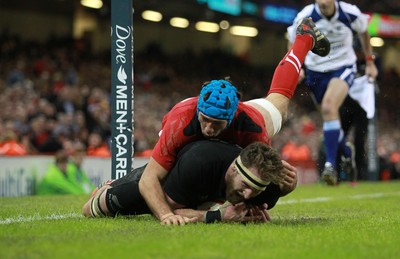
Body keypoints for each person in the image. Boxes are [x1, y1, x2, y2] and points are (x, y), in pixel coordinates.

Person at [130, 17, 330, 225]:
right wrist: (166, 215)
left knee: (280, 102)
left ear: (232, 117)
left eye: (217, 123)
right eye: (205, 120)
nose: (209, 128)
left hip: (250, 117)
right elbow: (149, 178)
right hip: (187, 126)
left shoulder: (251, 127)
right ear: (199, 111)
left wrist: (281, 190)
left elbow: (259, 180)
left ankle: (304, 39)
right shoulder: (179, 122)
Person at [83, 140, 297, 224]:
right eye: (246, 186)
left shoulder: (266, 188)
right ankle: (109, 187)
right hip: (173, 179)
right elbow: (168, 210)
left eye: (256, 190)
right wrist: (216, 216)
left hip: (199, 186)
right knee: (94, 208)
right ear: (233, 169)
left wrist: (288, 188)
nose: (249, 195)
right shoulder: (200, 163)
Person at [287, 0, 378, 185]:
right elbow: (291, 38)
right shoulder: (306, 14)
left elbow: (364, 32)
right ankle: (346, 151)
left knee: (329, 107)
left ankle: (330, 166)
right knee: (329, 119)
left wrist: (369, 62)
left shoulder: (350, 12)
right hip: (315, 72)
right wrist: (296, 65)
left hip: (342, 67)